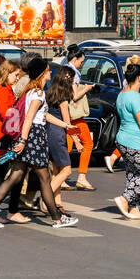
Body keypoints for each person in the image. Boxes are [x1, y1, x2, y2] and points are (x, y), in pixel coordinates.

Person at [0, 58, 79, 227]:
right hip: (33, 138)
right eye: (49, 71)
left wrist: (65, 125)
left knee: (15, 176)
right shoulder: (37, 93)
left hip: (30, 136)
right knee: (44, 178)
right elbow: (29, 118)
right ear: (42, 73)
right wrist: (23, 140)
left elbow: (43, 116)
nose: (51, 73)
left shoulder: (31, 92)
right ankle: (57, 218)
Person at [0, 56, 28, 222]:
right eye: (15, 75)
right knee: (1, 174)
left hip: (5, 135)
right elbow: (6, 114)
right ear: (7, 73)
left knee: (3, 174)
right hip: (2, 137)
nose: (17, 78)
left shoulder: (6, 88)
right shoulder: (2, 89)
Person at [112, 63, 140, 219]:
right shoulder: (135, 97)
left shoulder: (122, 94)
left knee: (133, 173)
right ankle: (125, 198)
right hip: (137, 142)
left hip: (123, 140)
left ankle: (134, 209)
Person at [45, 67, 84, 214]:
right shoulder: (63, 99)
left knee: (56, 171)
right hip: (57, 134)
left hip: (48, 132)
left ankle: (57, 202)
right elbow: (68, 124)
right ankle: (46, 197)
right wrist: (77, 141)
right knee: (66, 170)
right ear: (67, 79)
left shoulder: (49, 93)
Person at [59, 45, 97, 191]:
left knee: (66, 147)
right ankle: (81, 177)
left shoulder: (64, 69)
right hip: (73, 114)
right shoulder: (73, 73)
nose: (81, 65)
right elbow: (74, 97)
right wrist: (87, 89)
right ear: (75, 59)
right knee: (87, 144)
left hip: (66, 114)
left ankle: (61, 176)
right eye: (81, 62)